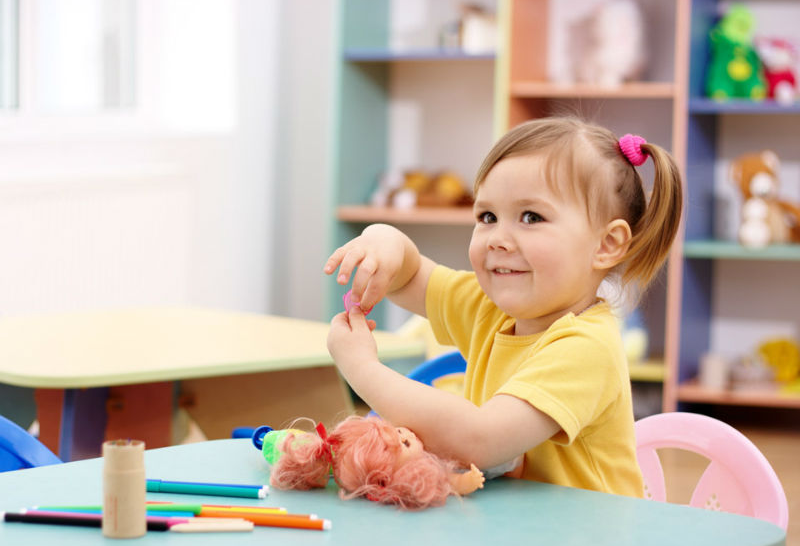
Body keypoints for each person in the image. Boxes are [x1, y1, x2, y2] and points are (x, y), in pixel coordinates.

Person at [323, 116, 683, 497]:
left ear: (607, 245)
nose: (498, 238)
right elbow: (410, 277)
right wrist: (384, 240)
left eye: (531, 217)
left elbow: (480, 439)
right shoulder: (490, 308)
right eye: (487, 217)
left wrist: (361, 368)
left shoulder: (586, 347)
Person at [268, 415, 485, 510]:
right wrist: (466, 482)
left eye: (399, 431)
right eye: (406, 444)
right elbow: (444, 482)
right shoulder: (411, 479)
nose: (410, 435)